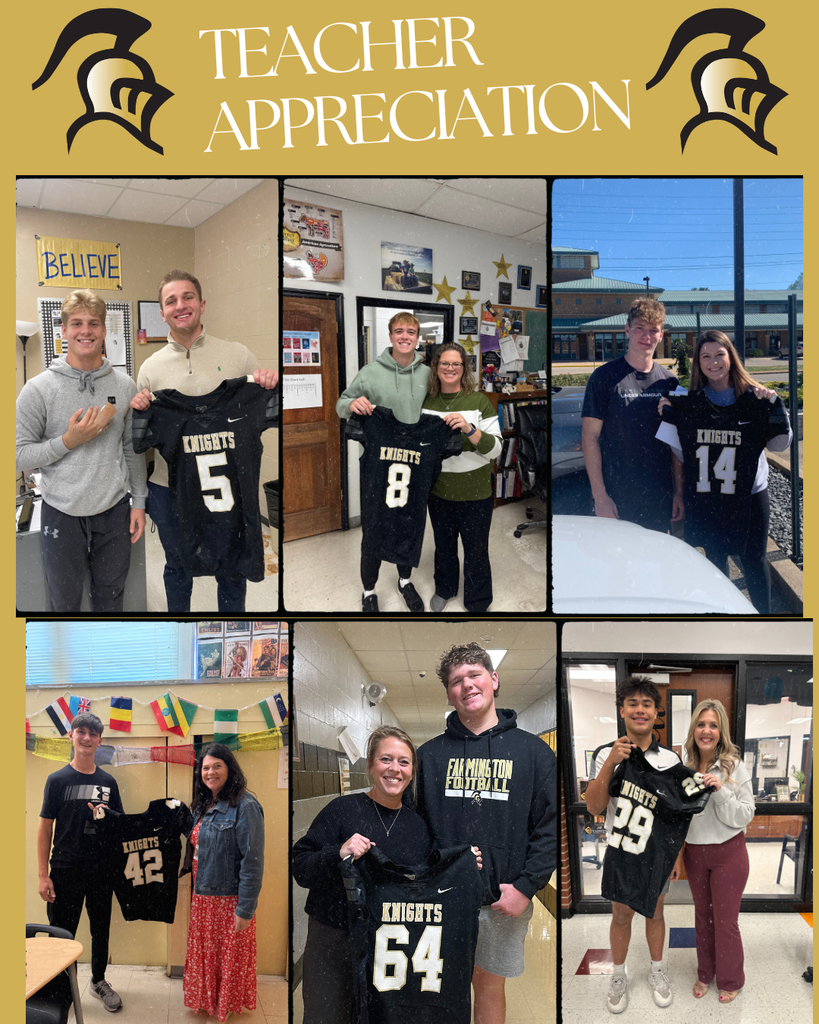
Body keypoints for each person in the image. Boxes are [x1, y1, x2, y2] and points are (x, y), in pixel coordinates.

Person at [416, 644, 557, 1024]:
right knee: (438, 986)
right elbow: (415, 828)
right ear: (448, 693)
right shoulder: (428, 756)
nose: (467, 685)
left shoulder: (534, 753)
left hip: (502, 901)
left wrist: (527, 886)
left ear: (494, 679)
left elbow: (549, 826)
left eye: (474, 675)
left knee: (489, 987)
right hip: (441, 898)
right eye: (456, 681)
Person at [130, 270, 278, 613]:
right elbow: (140, 442)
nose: (180, 305)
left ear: (202, 304)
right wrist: (139, 408)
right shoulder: (150, 369)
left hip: (228, 485)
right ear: (162, 311)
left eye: (187, 297)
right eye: (171, 301)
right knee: (178, 566)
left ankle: (231, 633)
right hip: (170, 489)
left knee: (232, 566)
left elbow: (260, 407)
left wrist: (267, 382)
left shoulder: (239, 355)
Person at [16, 289, 147, 611]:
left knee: (111, 597)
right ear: (63, 330)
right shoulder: (38, 389)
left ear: (104, 330)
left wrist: (139, 502)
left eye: (93, 323)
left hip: (114, 510)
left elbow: (131, 449)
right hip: (61, 513)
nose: (85, 331)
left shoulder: (124, 385)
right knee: (64, 601)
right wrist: (69, 441)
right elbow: (19, 456)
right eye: (76, 323)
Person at [293, 726, 432, 1024]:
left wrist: (466, 862)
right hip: (333, 941)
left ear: (412, 772)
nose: (395, 769)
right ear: (370, 765)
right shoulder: (341, 810)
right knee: (326, 1016)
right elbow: (301, 866)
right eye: (386, 759)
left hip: (389, 945)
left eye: (404, 762)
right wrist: (338, 853)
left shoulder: (418, 827)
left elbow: (425, 884)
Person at [656, 330, 792, 613]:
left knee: (754, 561)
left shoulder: (756, 398)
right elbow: (681, 453)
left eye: (720, 354)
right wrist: (673, 413)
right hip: (710, 496)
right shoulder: (689, 404)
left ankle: (764, 621)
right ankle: (724, 616)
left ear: (731, 357)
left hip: (750, 495)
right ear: (698, 363)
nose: (713, 361)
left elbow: (780, 444)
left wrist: (773, 410)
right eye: (705, 356)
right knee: (715, 560)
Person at [585, 675, 682, 1014]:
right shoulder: (605, 755)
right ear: (622, 710)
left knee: (656, 912)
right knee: (621, 915)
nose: (640, 710)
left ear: (657, 713)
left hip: (655, 853)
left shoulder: (670, 760)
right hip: (621, 850)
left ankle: (657, 970)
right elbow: (595, 807)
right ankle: (618, 974)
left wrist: (674, 860)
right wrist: (612, 761)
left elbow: (675, 817)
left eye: (647, 704)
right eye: (633, 703)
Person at [336, 311, 430, 613]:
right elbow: (341, 404)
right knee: (374, 528)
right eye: (399, 331)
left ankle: (404, 581)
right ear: (390, 336)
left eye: (411, 332)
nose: (405, 336)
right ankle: (369, 590)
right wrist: (351, 403)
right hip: (377, 466)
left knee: (410, 524)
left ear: (418, 337)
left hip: (414, 463)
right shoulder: (369, 373)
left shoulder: (428, 375)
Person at [37, 712, 125, 1012]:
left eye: (93, 734)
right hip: (64, 871)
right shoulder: (57, 780)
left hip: (101, 872)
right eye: (81, 732)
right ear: (71, 736)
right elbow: (45, 827)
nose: (87, 738)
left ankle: (98, 980)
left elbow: (119, 828)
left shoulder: (108, 782)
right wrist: (42, 875)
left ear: (100, 740)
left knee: (101, 929)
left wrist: (106, 817)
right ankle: (61, 985)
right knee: (62, 932)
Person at [581, 298, 682, 532]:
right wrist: (600, 497)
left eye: (653, 330)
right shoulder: (603, 378)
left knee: (655, 565)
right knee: (617, 566)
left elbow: (676, 444)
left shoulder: (671, 382)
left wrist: (679, 492)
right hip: (617, 497)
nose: (646, 336)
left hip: (659, 497)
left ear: (661, 335)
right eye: (639, 328)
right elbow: (590, 438)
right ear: (627, 330)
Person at [182, 743, 265, 1022]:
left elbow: (252, 862)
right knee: (208, 956)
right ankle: (207, 1001)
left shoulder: (246, 805)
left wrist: (245, 909)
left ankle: (225, 1004)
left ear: (230, 768)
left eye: (217, 765)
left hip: (229, 900)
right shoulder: (204, 805)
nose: (210, 772)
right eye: (205, 767)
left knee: (227, 958)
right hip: (203, 896)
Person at [682, 699, 754, 1004]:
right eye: (701, 724)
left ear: (721, 730)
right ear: (694, 729)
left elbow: (745, 815)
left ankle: (730, 979)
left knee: (726, 921)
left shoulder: (735, 766)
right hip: (695, 853)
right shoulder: (682, 767)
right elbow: (679, 816)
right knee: (702, 917)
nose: (706, 730)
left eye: (713, 725)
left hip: (729, 854)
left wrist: (720, 790)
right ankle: (705, 972)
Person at [422, 342, 502, 613]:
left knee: (476, 549)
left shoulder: (479, 402)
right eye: (445, 363)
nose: (450, 368)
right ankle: (444, 589)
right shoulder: (427, 402)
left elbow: (496, 450)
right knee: (444, 546)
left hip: (476, 492)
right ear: (436, 367)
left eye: (456, 364)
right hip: (439, 491)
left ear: (464, 368)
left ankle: (478, 601)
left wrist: (470, 429)